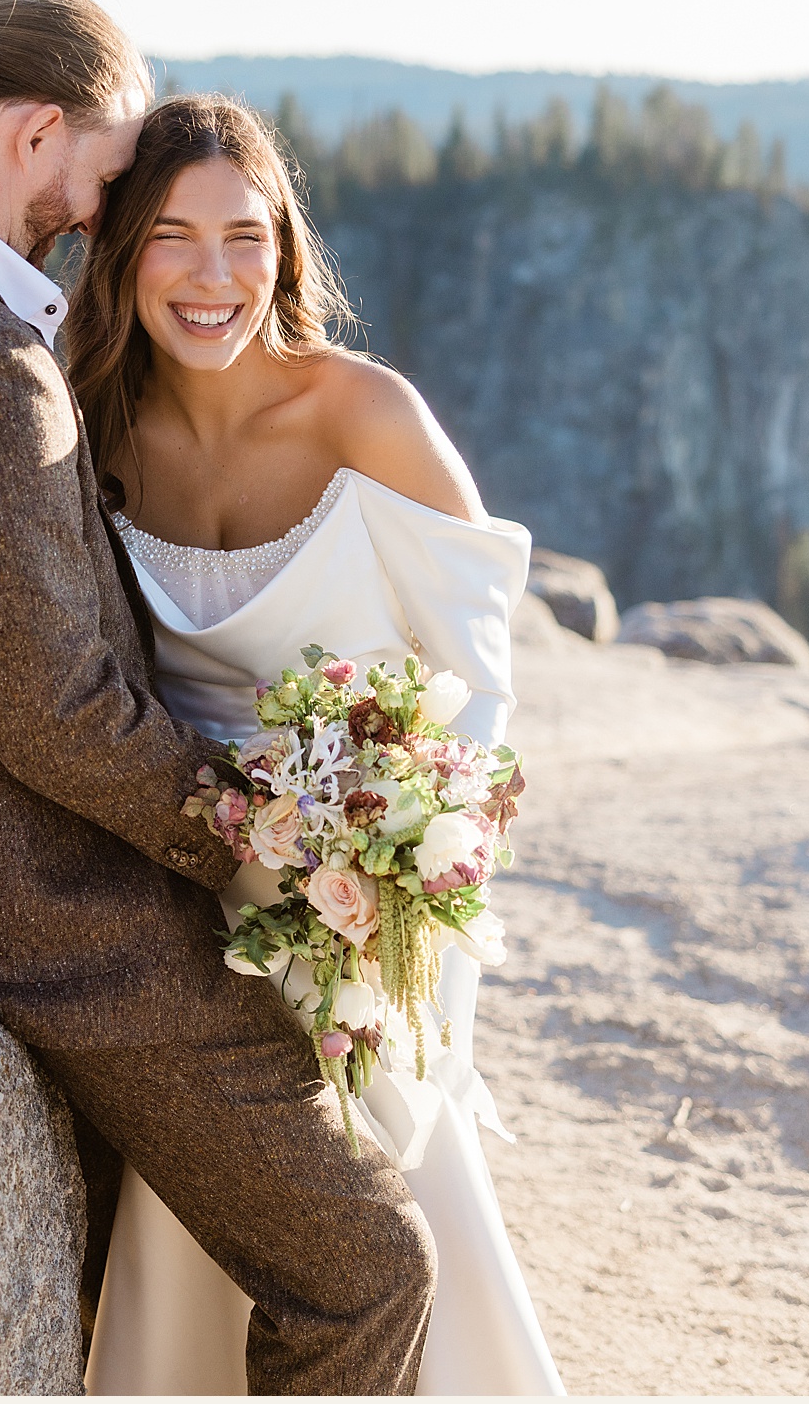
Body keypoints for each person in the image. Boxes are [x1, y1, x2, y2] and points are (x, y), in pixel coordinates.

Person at [0, 0, 436, 1394]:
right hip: (14, 901)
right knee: (367, 1266)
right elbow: (58, 713)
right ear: (40, 132)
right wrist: (261, 842)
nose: (103, 219)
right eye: (113, 182)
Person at [63, 94, 565, 1395]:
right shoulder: (93, 428)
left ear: (287, 246)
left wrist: (419, 894)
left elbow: (481, 694)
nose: (216, 274)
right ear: (120, 254)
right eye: (173, 236)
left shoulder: (366, 416)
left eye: (248, 233)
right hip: (181, 883)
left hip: (366, 894)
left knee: (390, 1177)